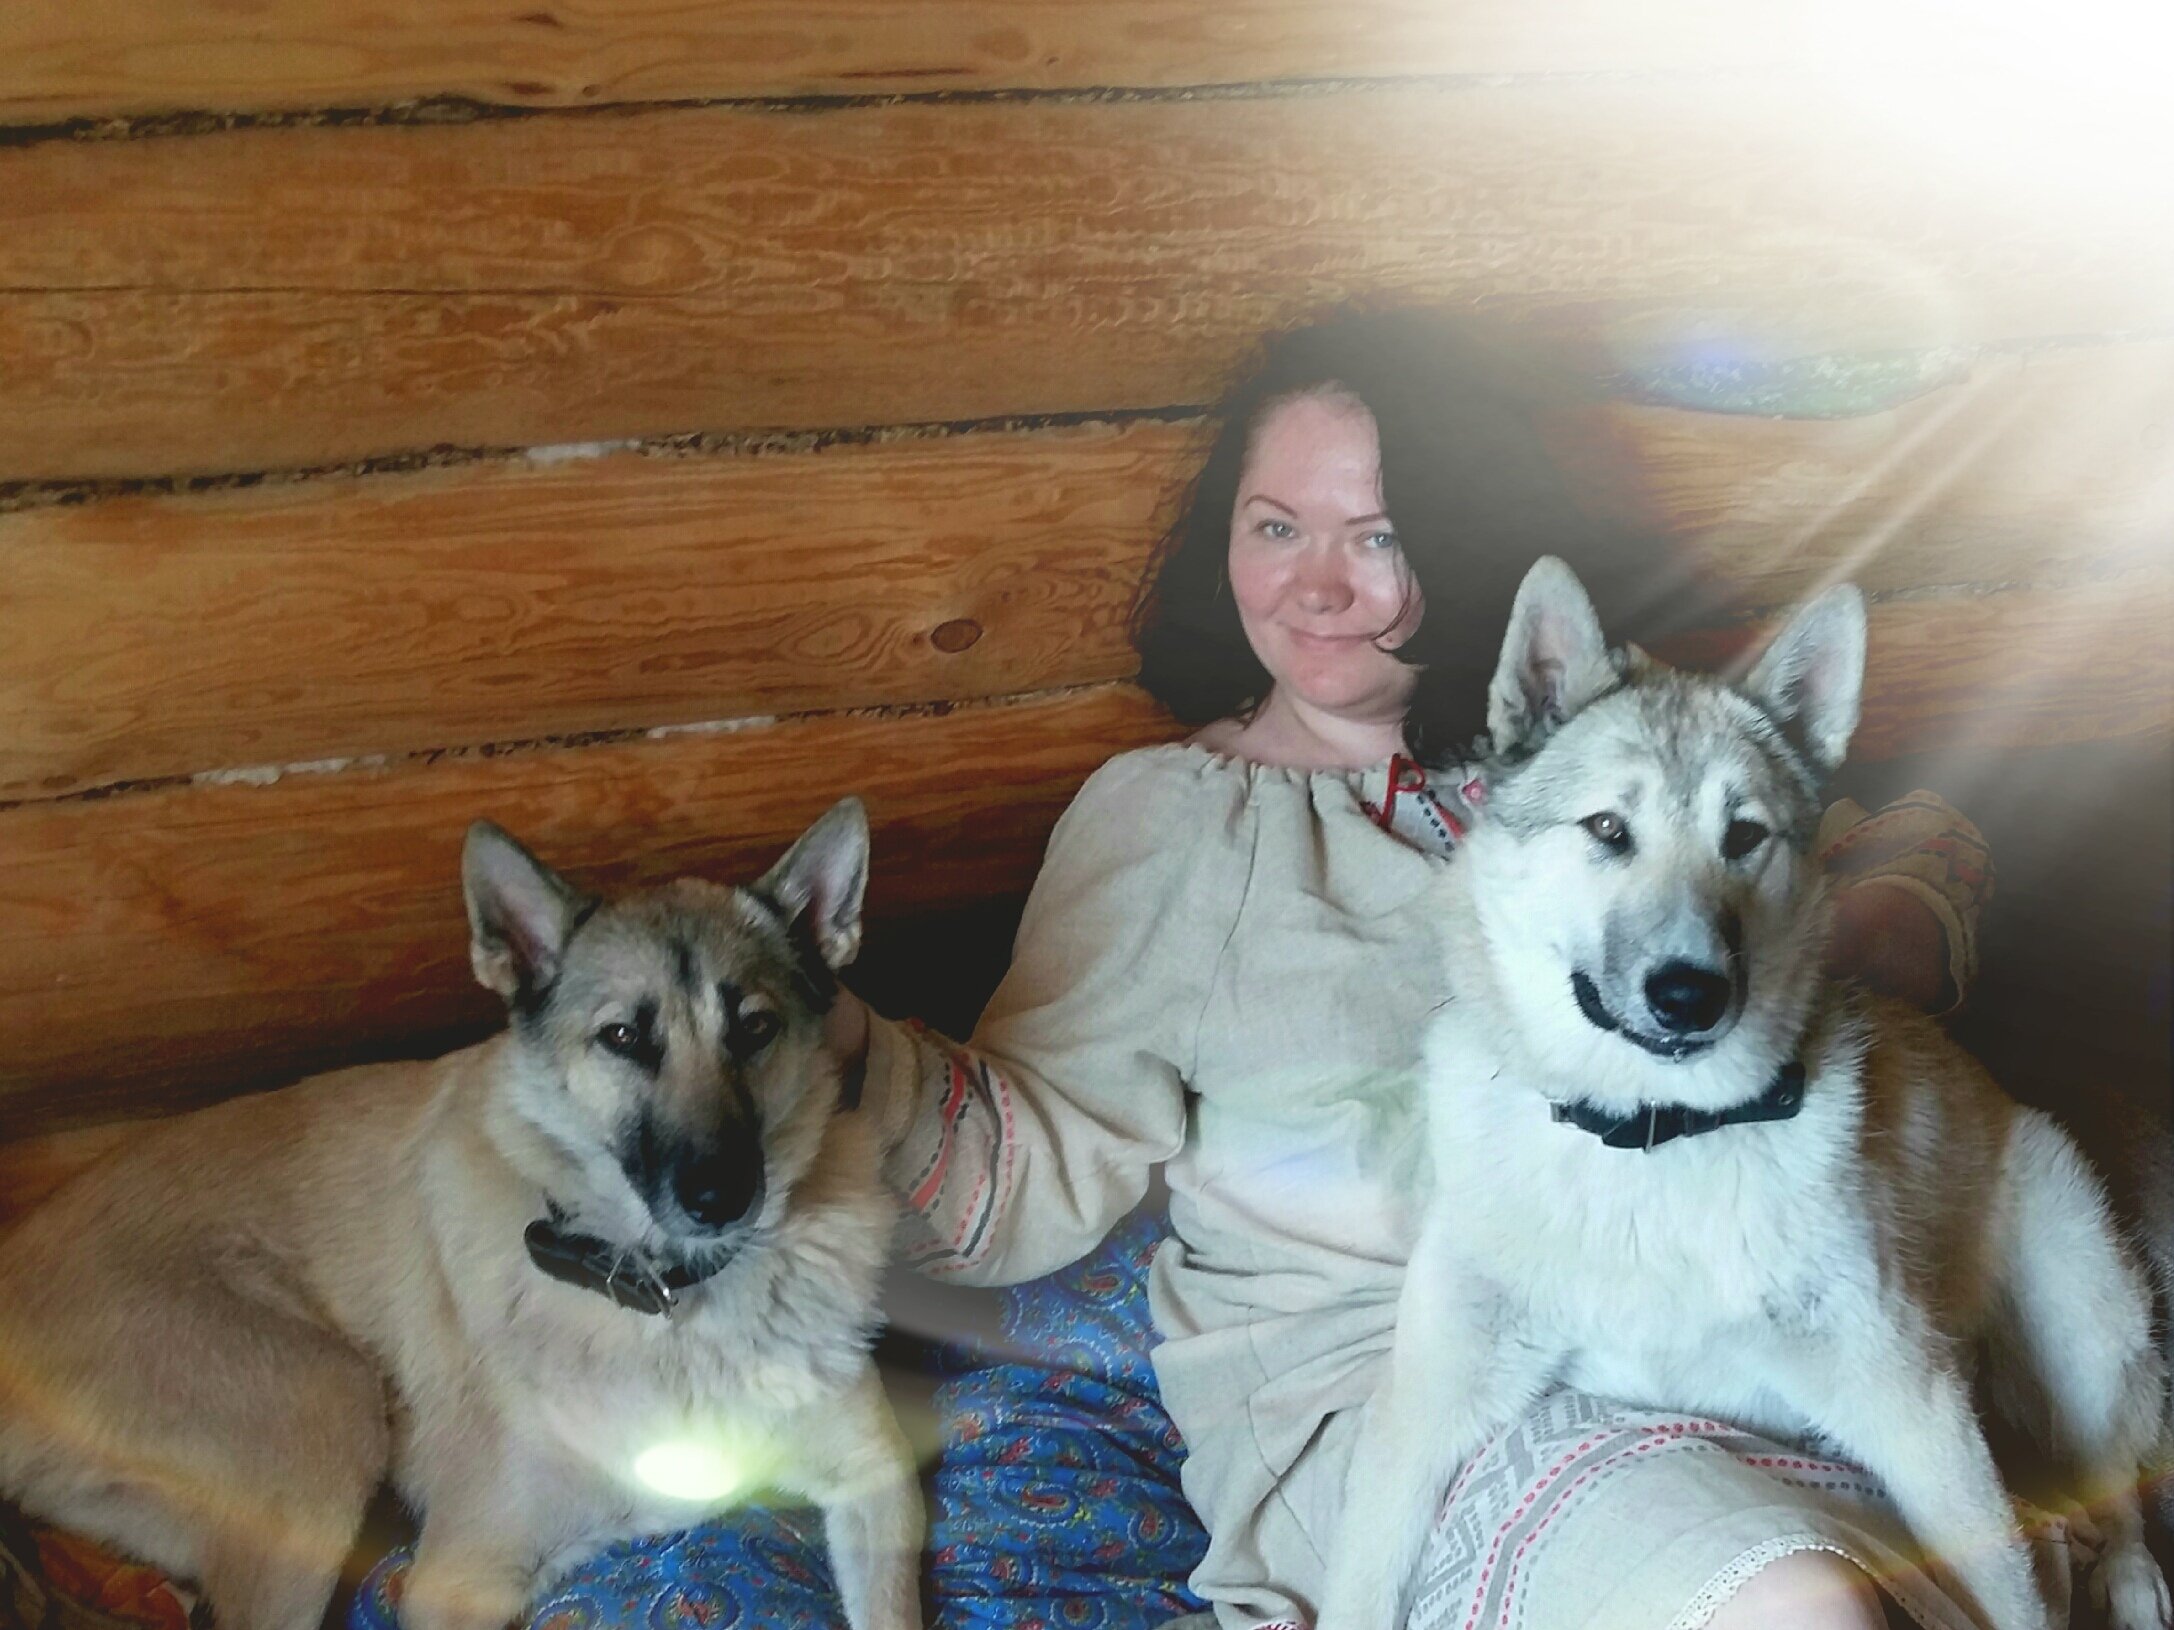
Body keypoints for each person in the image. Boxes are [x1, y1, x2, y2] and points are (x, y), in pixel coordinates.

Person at [832, 312, 1999, 1630]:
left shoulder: (1600, 741)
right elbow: (1013, 1179)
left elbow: (1909, 845)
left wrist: (1854, 939)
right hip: (1393, 1394)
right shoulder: (1175, 821)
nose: (1315, 586)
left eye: (1375, 535)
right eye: (1274, 526)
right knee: (1794, 1604)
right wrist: (825, 1040)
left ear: (1457, 534)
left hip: (1693, 1340)